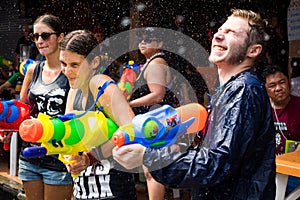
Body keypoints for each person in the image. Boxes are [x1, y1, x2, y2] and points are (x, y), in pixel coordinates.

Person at [113, 9, 276, 199]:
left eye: (232, 32)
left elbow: (215, 165)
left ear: (253, 50)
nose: (219, 35)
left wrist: (149, 157)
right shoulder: (231, 89)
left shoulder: (244, 89)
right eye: (221, 29)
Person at [59, 30, 136, 200]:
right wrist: (70, 156)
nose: (66, 70)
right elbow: (69, 135)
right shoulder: (74, 91)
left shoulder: (102, 85)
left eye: (74, 65)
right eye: (63, 63)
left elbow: (133, 130)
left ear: (94, 62)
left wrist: (90, 157)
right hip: (83, 190)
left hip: (113, 188)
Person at [17, 14, 73, 200]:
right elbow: (21, 109)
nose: (40, 41)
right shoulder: (33, 70)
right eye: (35, 37)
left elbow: (77, 116)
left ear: (61, 37)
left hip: (58, 159)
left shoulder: (71, 73)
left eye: (46, 36)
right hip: (29, 156)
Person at [128, 27, 180, 200]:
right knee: (152, 168)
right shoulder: (154, 61)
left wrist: (129, 104)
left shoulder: (156, 63)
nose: (142, 43)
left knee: (153, 169)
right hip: (157, 120)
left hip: (157, 121)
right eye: (141, 40)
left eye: (148, 40)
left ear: (159, 44)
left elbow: (158, 95)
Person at [259, 64, 300, 195]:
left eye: (282, 82)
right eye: (272, 85)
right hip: (266, 170)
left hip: (293, 170)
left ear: (289, 82)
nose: (278, 88)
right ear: (265, 89)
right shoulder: (260, 110)